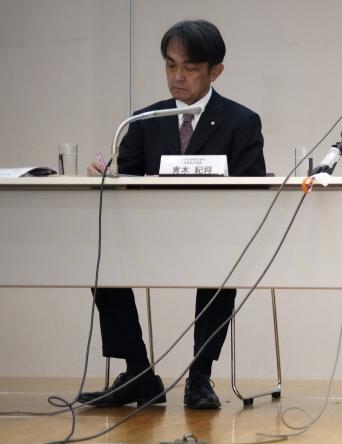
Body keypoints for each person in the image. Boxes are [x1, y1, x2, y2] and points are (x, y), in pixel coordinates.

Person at [82, 19, 266, 410]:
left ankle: (199, 378)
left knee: (220, 270)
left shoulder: (241, 122)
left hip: (214, 241)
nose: (177, 77)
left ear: (215, 71)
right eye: (170, 66)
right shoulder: (145, 120)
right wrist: (107, 176)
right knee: (102, 265)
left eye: (190, 68)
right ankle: (138, 373)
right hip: (151, 238)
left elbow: (253, 189)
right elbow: (126, 181)